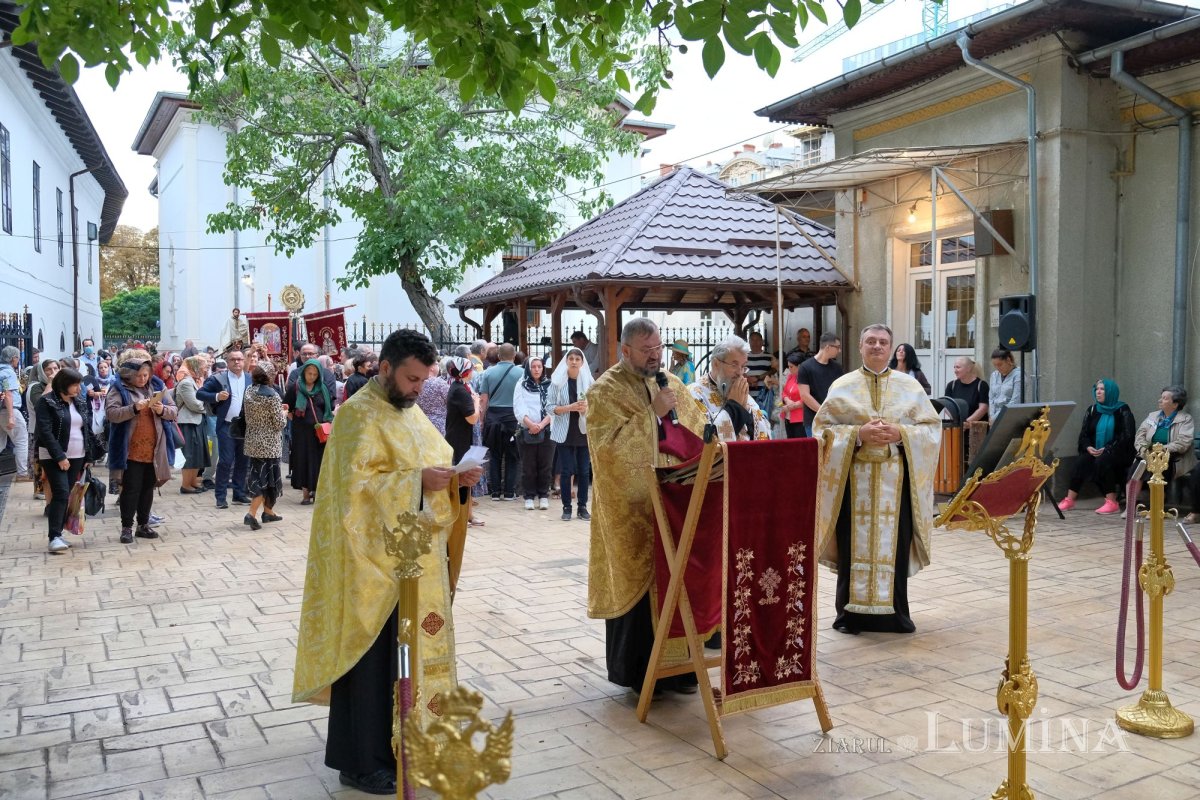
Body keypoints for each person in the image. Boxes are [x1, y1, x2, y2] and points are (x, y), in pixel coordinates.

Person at [292, 329, 482, 797]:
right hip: (368, 566)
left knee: (405, 658)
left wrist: (455, 478)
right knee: (372, 661)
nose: (419, 388)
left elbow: (432, 460)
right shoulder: (358, 415)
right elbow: (355, 493)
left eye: (424, 379)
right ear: (384, 369)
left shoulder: (408, 409)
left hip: (411, 559)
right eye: (412, 378)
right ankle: (359, 761)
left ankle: (407, 742)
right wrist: (420, 481)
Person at [587, 318, 707, 692]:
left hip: (675, 504)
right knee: (641, 592)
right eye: (647, 351)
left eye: (658, 349)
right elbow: (606, 449)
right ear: (625, 351)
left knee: (680, 583)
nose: (656, 356)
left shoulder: (673, 383)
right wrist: (652, 415)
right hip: (632, 510)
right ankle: (640, 674)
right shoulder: (604, 391)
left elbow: (696, 426)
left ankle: (682, 669)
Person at [813, 324, 941, 635]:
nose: (877, 347)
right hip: (853, 484)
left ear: (891, 347)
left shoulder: (910, 388)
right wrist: (858, 433)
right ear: (860, 346)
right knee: (851, 548)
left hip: (895, 485)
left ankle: (894, 615)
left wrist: (902, 434)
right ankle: (849, 616)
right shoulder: (842, 386)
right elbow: (820, 433)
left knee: (893, 547)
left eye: (883, 342)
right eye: (870, 341)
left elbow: (931, 430)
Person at [106, 348, 179, 543]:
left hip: (154, 449)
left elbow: (173, 411)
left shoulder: (157, 385)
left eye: (146, 375)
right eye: (139, 375)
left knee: (148, 487)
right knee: (131, 489)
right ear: (129, 375)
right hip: (130, 449)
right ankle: (126, 527)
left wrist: (162, 409)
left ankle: (143, 525)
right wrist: (134, 408)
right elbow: (112, 414)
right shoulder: (118, 388)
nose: (143, 379)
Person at [35, 368, 100, 553]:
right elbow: (45, 432)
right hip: (54, 456)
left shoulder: (78, 401)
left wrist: (88, 456)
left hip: (77, 455)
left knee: (68, 494)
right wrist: (60, 456)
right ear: (64, 384)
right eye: (75, 385)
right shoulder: (46, 402)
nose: (79, 389)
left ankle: (59, 533)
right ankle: (54, 536)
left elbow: (85, 428)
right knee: (61, 493)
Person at [1058, 379, 1137, 515]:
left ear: (1111, 392)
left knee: (1103, 461)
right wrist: (1088, 447)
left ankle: (1112, 502)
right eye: (1097, 389)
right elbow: (1084, 434)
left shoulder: (1122, 409)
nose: (1098, 392)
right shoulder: (1092, 409)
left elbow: (1127, 435)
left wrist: (1107, 448)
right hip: (1096, 449)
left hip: (1118, 451)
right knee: (1081, 461)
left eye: (1102, 389)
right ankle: (1070, 499)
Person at [1129, 386, 1196, 520]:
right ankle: (1130, 508)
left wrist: (1161, 450)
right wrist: (1144, 449)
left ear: (1175, 404)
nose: (1160, 400)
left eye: (1165, 398)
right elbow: (1140, 435)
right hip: (1148, 454)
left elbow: (1183, 442)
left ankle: (1156, 508)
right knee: (1136, 469)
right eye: (1161, 397)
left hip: (1173, 457)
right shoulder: (1152, 416)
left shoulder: (1185, 419)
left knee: (1159, 465)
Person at [688, 335, 771, 441]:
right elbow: (705, 440)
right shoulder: (695, 394)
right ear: (716, 364)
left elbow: (763, 433)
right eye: (734, 364)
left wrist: (747, 410)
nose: (739, 372)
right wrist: (734, 407)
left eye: (743, 366)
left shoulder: (742, 394)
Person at [198, 350, 253, 509]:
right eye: (233, 359)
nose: (237, 362)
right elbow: (200, 394)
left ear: (244, 361)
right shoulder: (219, 378)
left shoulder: (250, 378)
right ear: (227, 362)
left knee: (243, 461)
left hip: (245, 426)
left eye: (240, 359)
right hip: (226, 426)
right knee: (226, 461)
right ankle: (220, 497)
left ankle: (239, 494)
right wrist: (216, 396)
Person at [549, 347, 593, 522]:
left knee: (583, 471)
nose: (574, 362)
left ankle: (582, 507)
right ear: (566, 361)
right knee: (566, 470)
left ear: (582, 362)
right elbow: (549, 407)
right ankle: (566, 507)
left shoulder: (589, 382)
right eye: (571, 358)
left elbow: (597, 405)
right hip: (564, 432)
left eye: (577, 359)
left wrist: (586, 408)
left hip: (583, 431)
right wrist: (569, 407)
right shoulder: (557, 382)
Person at [243, 365, 287, 530]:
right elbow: (279, 423)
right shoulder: (273, 395)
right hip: (269, 444)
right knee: (267, 479)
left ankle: (268, 512)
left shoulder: (249, 391)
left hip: (253, 441)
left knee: (257, 475)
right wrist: (283, 413)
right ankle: (251, 513)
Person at [284, 359, 333, 505]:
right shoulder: (295, 388)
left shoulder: (322, 388)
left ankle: (317, 492)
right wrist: (295, 420)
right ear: (304, 372)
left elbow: (327, 409)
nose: (311, 377)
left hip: (319, 434)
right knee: (303, 461)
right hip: (301, 434)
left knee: (318, 461)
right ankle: (305, 494)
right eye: (309, 373)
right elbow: (286, 407)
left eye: (314, 374)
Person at [477, 343, 523, 501]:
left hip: (493, 418)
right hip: (513, 418)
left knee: (495, 455)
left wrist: (482, 421)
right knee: (512, 455)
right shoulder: (522, 373)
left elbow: (483, 399)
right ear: (514, 355)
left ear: (498, 356)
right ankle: (510, 491)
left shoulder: (489, 373)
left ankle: (495, 491)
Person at [513, 356, 556, 510]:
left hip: (547, 429)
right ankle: (529, 496)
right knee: (528, 465)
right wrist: (531, 424)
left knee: (546, 465)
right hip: (527, 430)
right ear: (528, 368)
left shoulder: (549, 385)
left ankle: (543, 495)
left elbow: (553, 407)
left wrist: (542, 424)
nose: (537, 370)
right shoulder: (521, 384)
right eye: (533, 367)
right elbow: (519, 407)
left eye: (539, 366)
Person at [443, 357, 482, 526]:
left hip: (462, 437)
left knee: (466, 477)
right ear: (465, 372)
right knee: (462, 478)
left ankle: (468, 515)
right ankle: (461, 515)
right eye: (471, 369)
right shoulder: (459, 390)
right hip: (459, 439)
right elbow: (472, 418)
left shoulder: (461, 387)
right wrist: (476, 402)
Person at [175, 355, 212, 494]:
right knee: (189, 455)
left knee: (197, 455)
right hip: (188, 422)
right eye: (203, 366)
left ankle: (192, 482)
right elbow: (195, 405)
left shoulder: (193, 382)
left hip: (196, 421)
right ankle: (185, 485)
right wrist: (207, 405)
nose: (206, 368)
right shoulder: (186, 383)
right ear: (196, 366)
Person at [797, 332, 844, 438]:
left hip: (835, 421)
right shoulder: (805, 367)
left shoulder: (837, 368)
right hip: (813, 421)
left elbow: (842, 392)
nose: (839, 350)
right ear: (828, 347)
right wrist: (824, 412)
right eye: (837, 347)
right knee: (816, 453)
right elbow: (805, 395)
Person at [25, 359, 60, 500]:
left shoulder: (60, 386)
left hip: (56, 430)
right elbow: (40, 404)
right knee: (39, 461)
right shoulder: (36, 387)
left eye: (56, 368)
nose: (53, 372)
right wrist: (51, 384)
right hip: (38, 430)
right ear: (41, 372)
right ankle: (39, 489)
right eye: (49, 369)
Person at [0, 345, 31, 482]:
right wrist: (12, 416)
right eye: (18, 358)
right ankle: (22, 474)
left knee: (0, 443)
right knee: (21, 441)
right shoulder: (8, 372)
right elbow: (8, 394)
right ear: (13, 358)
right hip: (9, 410)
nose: (18, 360)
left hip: (2, 411)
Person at [944, 357, 990, 422]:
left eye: (958, 367)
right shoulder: (951, 385)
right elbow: (946, 406)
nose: (955, 371)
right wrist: (957, 420)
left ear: (968, 368)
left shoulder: (982, 385)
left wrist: (966, 423)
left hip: (976, 429)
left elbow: (983, 408)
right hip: (958, 428)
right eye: (954, 367)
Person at [744, 332, 777, 415]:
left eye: (757, 340)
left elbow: (774, 370)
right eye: (752, 340)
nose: (755, 343)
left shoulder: (769, 357)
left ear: (762, 342)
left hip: (764, 396)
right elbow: (739, 371)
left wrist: (758, 378)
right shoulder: (744, 357)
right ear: (749, 342)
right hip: (747, 395)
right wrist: (749, 379)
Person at [415, 359, 449, 436]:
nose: (438, 366)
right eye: (437, 364)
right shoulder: (440, 383)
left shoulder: (416, 382)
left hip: (419, 422)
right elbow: (450, 401)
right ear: (431, 367)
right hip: (438, 425)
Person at [988, 347, 1023, 422]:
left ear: (1008, 360)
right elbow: (991, 398)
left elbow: (1015, 401)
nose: (997, 368)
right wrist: (991, 415)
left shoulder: (1019, 375)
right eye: (995, 365)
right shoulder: (994, 375)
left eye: (1000, 364)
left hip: (1011, 417)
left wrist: (996, 417)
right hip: (994, 418)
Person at [780, 352, 807, 438]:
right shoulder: (791, 376)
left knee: (799, 444)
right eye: (788, 366)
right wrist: (787, 400)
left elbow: (808, 397)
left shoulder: (807, 379)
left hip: (800, 417)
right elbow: (784, 392)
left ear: (799, 366)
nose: (789, 369)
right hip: (788, 415)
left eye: (791, 367)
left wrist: (794, 405)